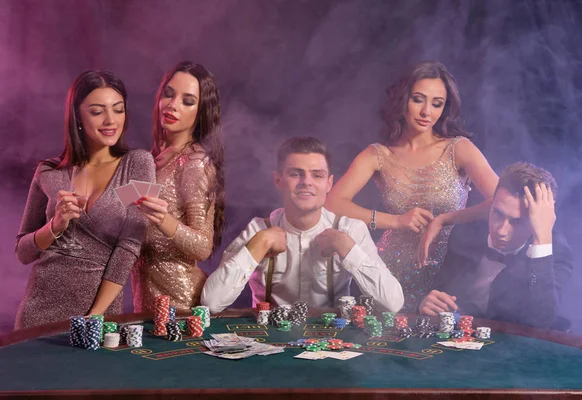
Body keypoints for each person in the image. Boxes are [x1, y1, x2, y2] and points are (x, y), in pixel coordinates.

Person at [325, 61, 498, 310]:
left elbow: (502, 202)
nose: (427, 111)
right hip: (390, 273)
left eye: (437, 104)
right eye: (418, 99)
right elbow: (332, 203)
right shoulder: (378, 155)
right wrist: (395, 221)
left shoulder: (458, 149)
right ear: (403, 99)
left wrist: (445, 219)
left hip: (448, 274)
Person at [14, 70, 155, 329]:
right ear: (77, 116)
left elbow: (130, 246)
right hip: (38, 310)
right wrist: (54, 226)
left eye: (118, 109)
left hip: (97, 312)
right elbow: (23, 252)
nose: (110, 120)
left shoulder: (138, 164)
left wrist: (95, 315)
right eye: (97, 111)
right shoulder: (49, 171)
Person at [201, 137, 404, 313]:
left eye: (317, 175)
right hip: (269, 344)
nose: (306, 182)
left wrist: (347, 248)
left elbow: (393, 303)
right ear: (278, 180)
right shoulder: (259, 230)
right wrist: (259, 245)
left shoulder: (349, 230)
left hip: (334, 344)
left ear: (329, 184)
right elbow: (211, 302)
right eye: (296, 174)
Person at [418, 162, 573, 329]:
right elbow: (441, 292)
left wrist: (541, 239)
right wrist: (429, 302)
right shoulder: (465, 233)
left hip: (513, 348)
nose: (501, 230)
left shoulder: (553, 249)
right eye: (498, 213)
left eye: (517, 221)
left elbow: (542, 319)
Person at [130, 61, 225, 312]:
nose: (173, 105)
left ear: (201, 111)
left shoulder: (194, 161)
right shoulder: (154, 158)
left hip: (181, 307)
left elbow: (203, 247)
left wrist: (163, 219)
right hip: (149, 307)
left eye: (188, 101)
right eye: (169, 94)